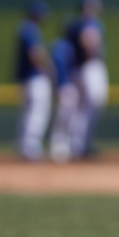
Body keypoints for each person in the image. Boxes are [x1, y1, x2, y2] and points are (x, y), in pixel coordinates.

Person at [65, 0, 108, 160]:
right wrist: (93, 53)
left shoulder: (73, 23)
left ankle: (77, 144)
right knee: (92, 106)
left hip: (77, 69)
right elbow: (88, 39)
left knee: (81, 108)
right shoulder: (90, 22)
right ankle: (81, 144)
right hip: (89, 67)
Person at [14, 0, 53, 161]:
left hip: (27, 78)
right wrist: (49, 68)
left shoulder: (24, 28)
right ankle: (30, 147)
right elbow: (35, 53)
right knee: (37, 112)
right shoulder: (30, 29)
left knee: (28, 113)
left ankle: (25, 145)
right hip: (34, 78)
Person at [48, 36, 78, 164]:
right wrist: (61, 83)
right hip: (65, 86)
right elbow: (58, 62)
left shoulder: (56, 45)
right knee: (64, 118)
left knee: (64, 118)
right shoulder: (65, 46)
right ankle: (59, 148)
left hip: (61, 85)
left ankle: (61, 147)